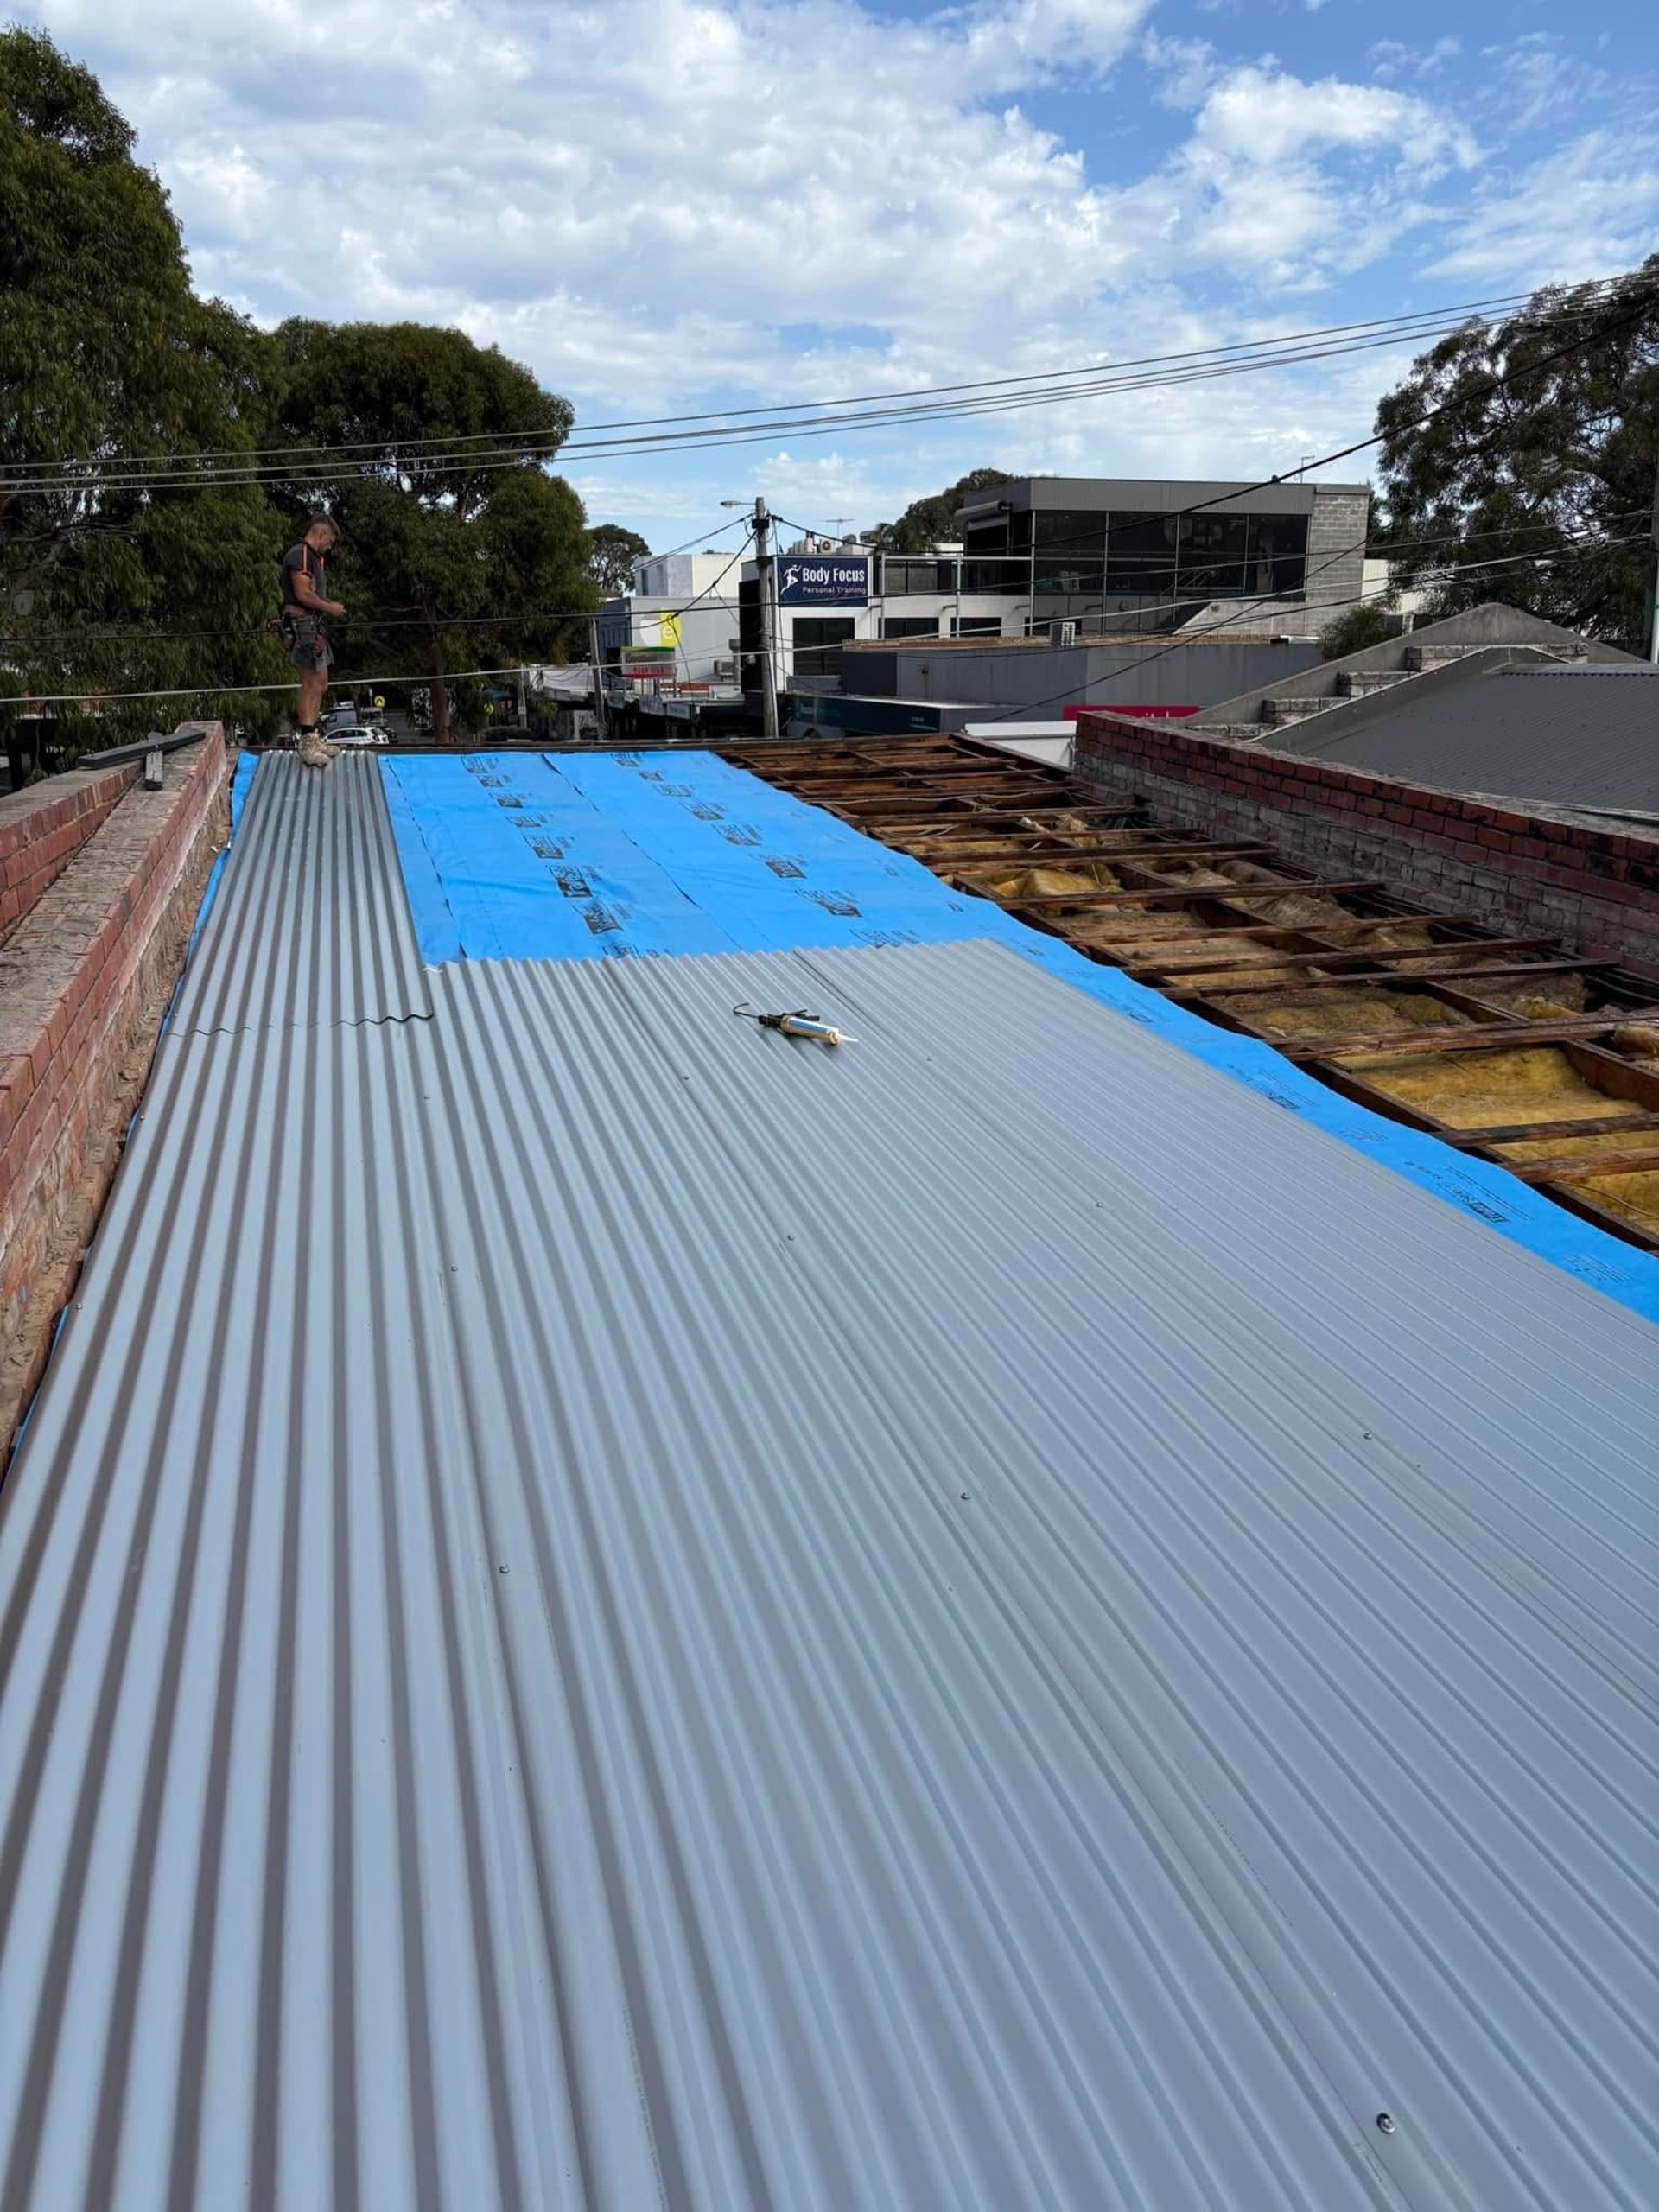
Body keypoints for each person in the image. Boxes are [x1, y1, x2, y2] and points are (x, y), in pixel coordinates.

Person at [279, 515, 347, 766]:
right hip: (302, 625)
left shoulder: (313, 558)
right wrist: (330, 608)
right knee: (310, 682)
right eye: (329, 541)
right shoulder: (301, 554)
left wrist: (327, 609)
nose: (329, 547)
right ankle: (306, 743)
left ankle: (314, 735)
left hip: (313, 625)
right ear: (320, 534)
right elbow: (302, 593)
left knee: (322, 682)